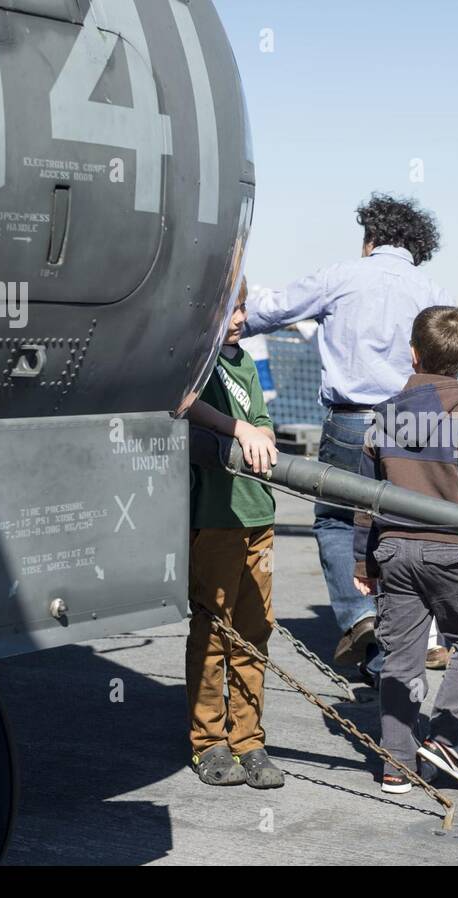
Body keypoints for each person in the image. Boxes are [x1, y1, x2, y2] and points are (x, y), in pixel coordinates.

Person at [242, 194, 458, 680]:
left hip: (352, 418)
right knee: (397, 530)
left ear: (371, 237)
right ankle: (391, 658)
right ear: (417, 245)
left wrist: (233, 320)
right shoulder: (431, 289)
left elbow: (270, 310)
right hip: (415, 423)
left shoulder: (340, 276)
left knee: (339, 520)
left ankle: (358, 616)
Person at [351, 307, 458, 793]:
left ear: (413, 353)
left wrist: (362, 559)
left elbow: (365, 497)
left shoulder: (385, 416)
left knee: (401, 657)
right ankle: (445, 736)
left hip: (393, 550)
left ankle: (396, 763)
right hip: (453, 553)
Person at [180, 279, 285, 789]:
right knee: (213, 630)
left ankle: (249, 739)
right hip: (216, 519)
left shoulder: (243, 361)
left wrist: (259, 430)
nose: (240, 318)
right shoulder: (196, 362)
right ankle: (209, 741)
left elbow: (263, 421)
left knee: (255, 631)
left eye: (242, 307)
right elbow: (181, 403)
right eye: (229, 308)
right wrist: (237, 430)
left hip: (257, 516)